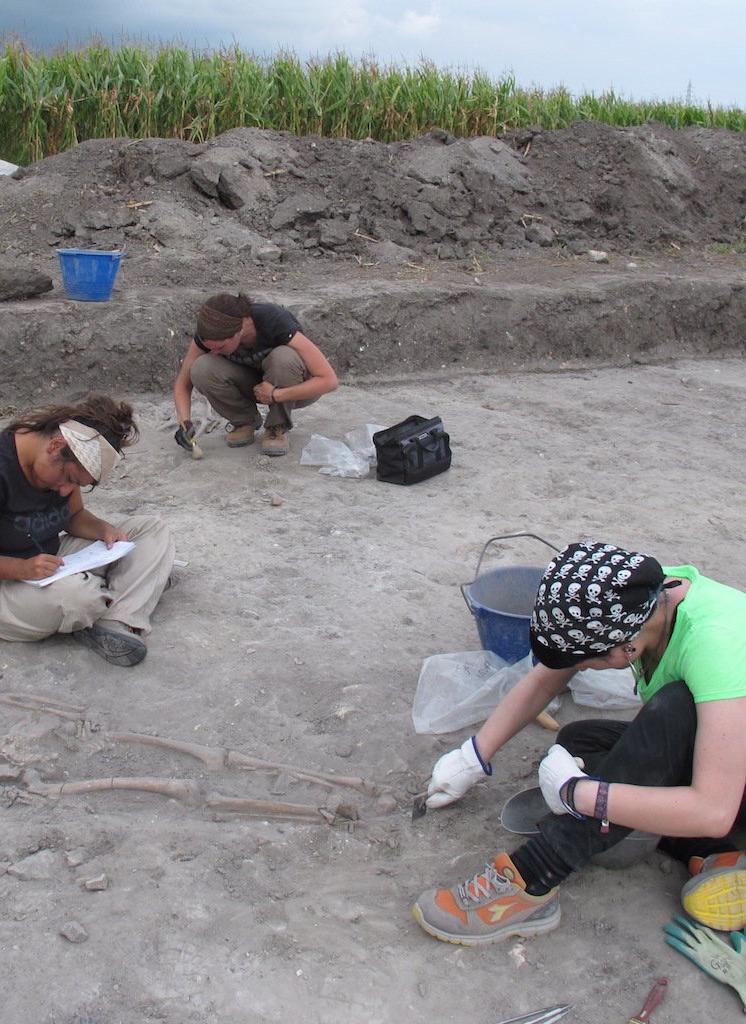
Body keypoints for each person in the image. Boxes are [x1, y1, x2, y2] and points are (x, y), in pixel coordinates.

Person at [412, 540, 746, 946]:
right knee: (579, 741)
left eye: (586, 660)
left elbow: (713, 809)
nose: (579, 669)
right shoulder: (637, 598)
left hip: (726, 797)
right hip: (731, 765)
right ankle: (714, 853)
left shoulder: (715, 644)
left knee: (673, 709)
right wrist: (474, 755)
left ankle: (533, 877)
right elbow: (545, 678)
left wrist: (578, 794)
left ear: (624, 647)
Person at [0, 394, 175, 667]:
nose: (67, 490)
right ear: (56, 446)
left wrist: (103, 529)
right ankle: (125, 589)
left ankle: (117, 621)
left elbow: (73, 517)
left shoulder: (61, 463)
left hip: (48, 561)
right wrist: (22, 569)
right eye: (70, 479)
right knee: (77, 596)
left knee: (150, 529)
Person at [172, 292, 339, 457]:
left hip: (294, 386)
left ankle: (277, 426)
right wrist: (184, 423)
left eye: (221, 347)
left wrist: (276, 395)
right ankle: (245, 421)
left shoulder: (274, 320)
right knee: (201, 367)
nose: (214, 352)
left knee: (284, 357)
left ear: (239, 331)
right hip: (253, 385)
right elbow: (183, 384)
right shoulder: (211, 333)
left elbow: (329, 381)